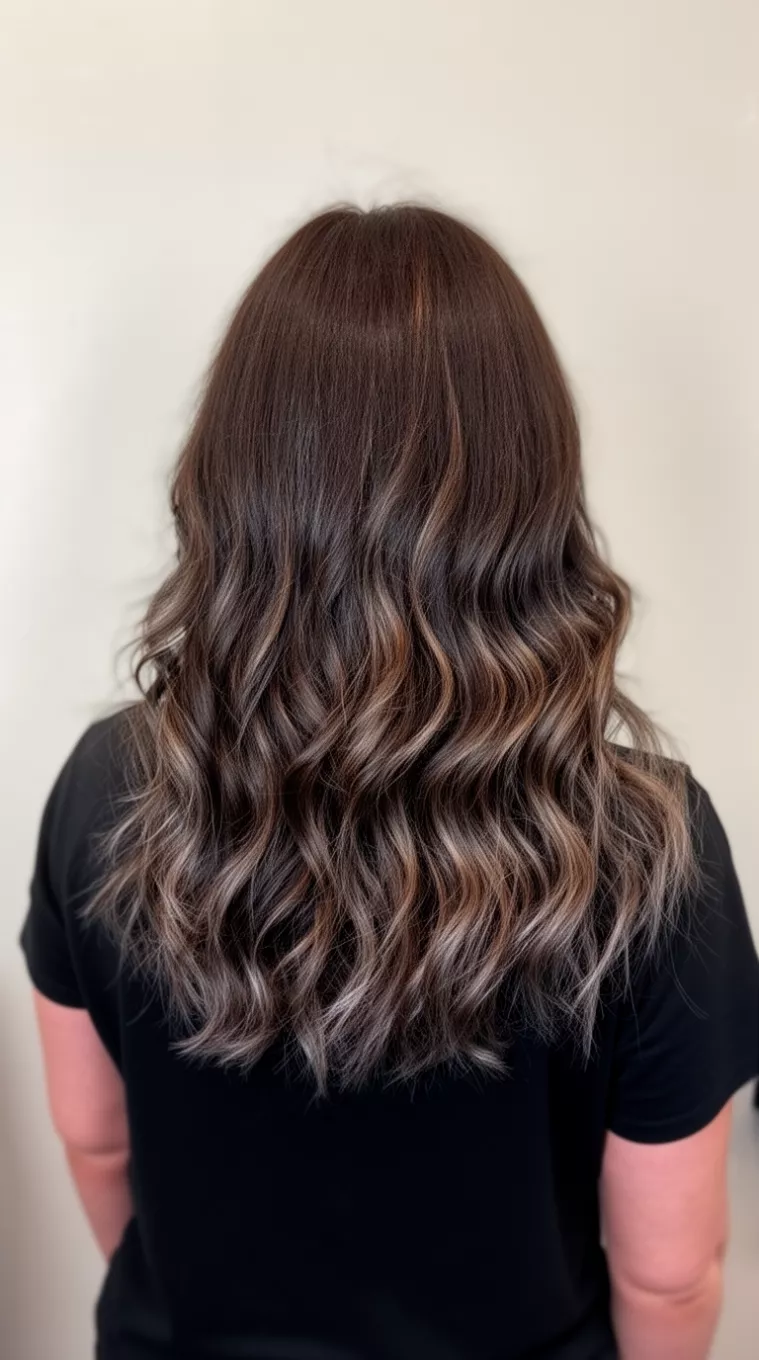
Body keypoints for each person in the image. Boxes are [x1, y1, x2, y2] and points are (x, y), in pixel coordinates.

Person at [22, 204, 759, 1360]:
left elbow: (95, 1141)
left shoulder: (105, 786)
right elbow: (671, 1275)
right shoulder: (655, 849)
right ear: (529, 493)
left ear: (239, 478)